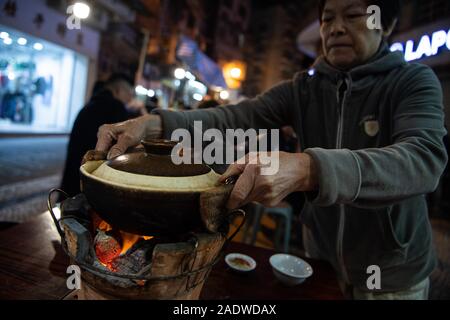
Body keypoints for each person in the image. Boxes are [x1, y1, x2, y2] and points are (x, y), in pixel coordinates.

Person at [92, 0, 447, 300]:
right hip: (319, 257)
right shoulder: (303, 88)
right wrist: (156, 125)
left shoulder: (412, 82)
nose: (335, 28)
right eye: (327, 18)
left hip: (393, 272)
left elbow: (423, 159)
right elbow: (237, 117)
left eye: (354, 15)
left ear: (385, 23)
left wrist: (309, 168)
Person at [60, 73, 135, 197]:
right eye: (129, 94)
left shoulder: (88, 106)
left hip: (73, 174)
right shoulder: (116, 107)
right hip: (91, 180)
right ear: (118, 90)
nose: (130, 99)